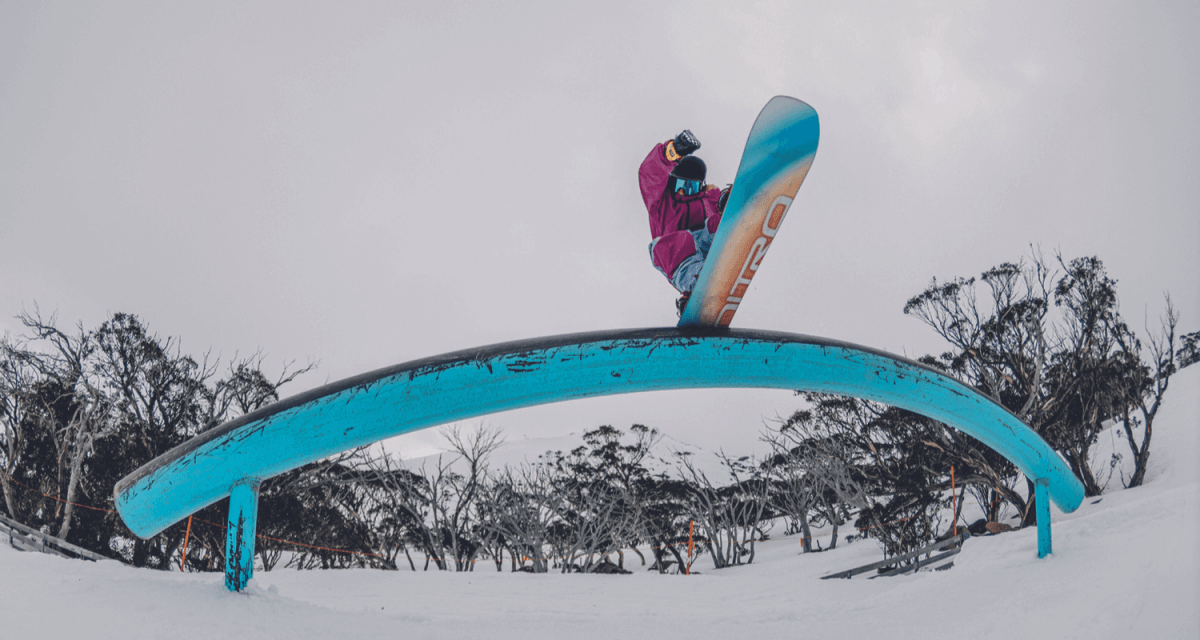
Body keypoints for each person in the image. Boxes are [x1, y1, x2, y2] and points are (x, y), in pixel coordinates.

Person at [638, 129, 729, 315]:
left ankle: (734, 227)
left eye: (689, 187)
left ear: (700, 187)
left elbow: (716, 220)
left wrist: (726, 202)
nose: (682, 192)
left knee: (713, 224)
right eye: (679, 185)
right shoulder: (661, 203)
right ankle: (696, 287)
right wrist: (673, 151)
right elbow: (650, 173)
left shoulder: (708, 199)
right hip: (676, 254)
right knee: (675, 242)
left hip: (708, 249)